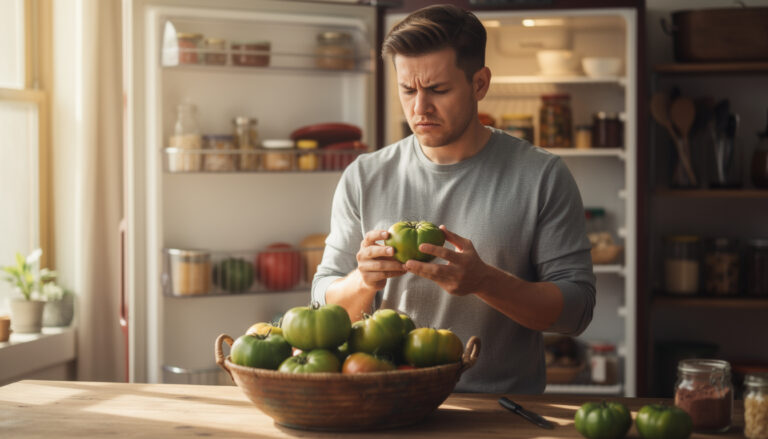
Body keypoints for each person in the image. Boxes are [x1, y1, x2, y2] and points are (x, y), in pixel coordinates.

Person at [311, 4, 595, 394]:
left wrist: (485, 281)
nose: (419, 108)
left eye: (438, 90)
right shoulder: (364, 176)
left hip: (501, 411)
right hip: (385, 403)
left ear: (480, 84)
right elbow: (321, 305)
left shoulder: (541, 175)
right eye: (407, 89)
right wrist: (363, 281)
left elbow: (576, 311)